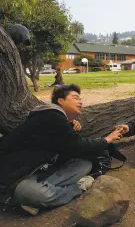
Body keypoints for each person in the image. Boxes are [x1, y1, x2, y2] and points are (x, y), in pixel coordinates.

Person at [0, 84, 123, 215]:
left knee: (83, 164)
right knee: (40, 195)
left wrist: (69, 126)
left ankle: (36, 197)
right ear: (60, 101)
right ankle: (77, 188)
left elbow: (66, 146)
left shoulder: (54, 120)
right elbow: (79, 145)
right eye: (75, 97)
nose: (80, 101)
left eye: (80, 99)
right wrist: (108, 139)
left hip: (38, 170)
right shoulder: (52, 116)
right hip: (15, 176)